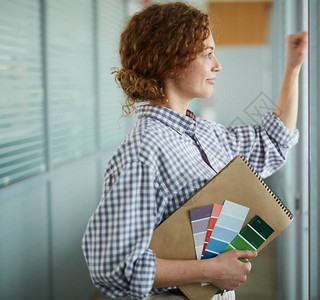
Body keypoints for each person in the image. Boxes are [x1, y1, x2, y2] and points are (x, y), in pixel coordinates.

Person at [82, 2, 308, 300]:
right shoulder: (143, 149)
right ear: (172, 60)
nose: (218, 65)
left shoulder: (205, 132)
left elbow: (271, 142)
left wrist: (293, 66)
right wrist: (210, 270)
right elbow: (113, 267)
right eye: (208, 53)